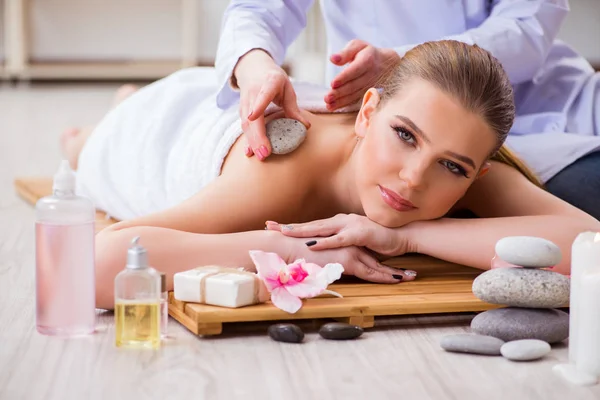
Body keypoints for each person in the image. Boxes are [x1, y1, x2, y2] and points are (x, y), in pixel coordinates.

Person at [64, 41, 598, 310]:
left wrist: (406, 233)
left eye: (452, 166)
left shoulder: (467, 170)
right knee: (87, 147)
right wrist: (306, 248)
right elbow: (99, 262)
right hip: (160, 134)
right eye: (405, 135)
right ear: (367, 112)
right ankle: (108, 117)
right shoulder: (276, 174)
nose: (414, 179)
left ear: (475, 171)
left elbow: (591, 245)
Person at [216, 0, 600, 220]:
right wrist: (256, 67)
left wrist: (403, 61)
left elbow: (529, 24)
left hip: (546, 102)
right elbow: (258, 8)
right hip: (402, 107)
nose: (414, 178)